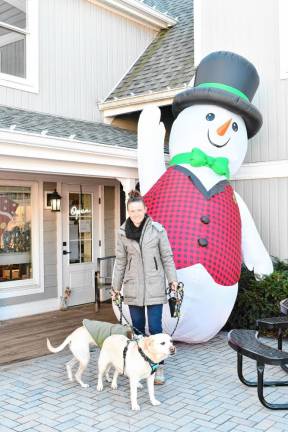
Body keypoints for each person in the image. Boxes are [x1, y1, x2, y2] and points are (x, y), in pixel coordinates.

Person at [112, 190, 178, 384]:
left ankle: (159, 369)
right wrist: (116, 287)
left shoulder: (158, 230)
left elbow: (167, 257)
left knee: (156, 329)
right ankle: (141, 368)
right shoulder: (123, 233)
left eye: (139, 210)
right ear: (128, 212)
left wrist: (172, 279)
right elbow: (121, 261)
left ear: (145, 210)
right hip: (133, 287)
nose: (136, 213)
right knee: (138, 329)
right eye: (132, 210)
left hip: (155, 285)